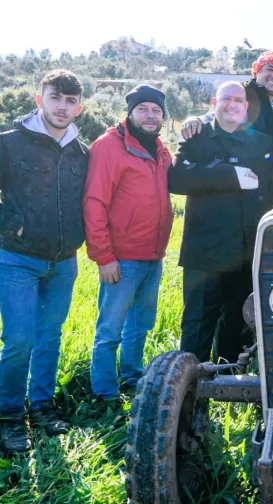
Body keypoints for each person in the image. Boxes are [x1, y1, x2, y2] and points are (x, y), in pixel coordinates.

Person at [0, 70, 88, 453]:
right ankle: (8, 417)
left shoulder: (82, 153)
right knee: (20, 340)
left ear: (79, 108)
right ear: (40, 100)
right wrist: (11, 224)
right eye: (55, 97)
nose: (62, 106)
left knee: (49, 338)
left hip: (64, 262)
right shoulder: (8, 145)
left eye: (70, 101)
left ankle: (42, 408)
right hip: (16, 260)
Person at [169, 81, 273, 364]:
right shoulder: (198, 137)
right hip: (204, 251)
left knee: (236, 322)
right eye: (226, 98)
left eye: (238, 100)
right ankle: (190, 394)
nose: (232, 104)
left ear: (246, 107)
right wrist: (228, 175)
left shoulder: (262, 142)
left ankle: (228, 385)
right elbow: (177, 179)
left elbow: (270, 189)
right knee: (197, 324)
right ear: (213, 103)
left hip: (244, 252)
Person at [83, 85, 173, 401]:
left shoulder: (160, 149)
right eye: (144, 109)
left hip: (153, 256)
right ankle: (104, 395)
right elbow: (94, 202)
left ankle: (132, 379)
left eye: (157, 111)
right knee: (110, 330)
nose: (150, 116)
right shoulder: (109, 146)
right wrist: (103, 256)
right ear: (130, 112)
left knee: (140, 325)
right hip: (122, 258)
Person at [182, 51, 273, 166]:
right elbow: (218, 113)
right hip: (242, 167)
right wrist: (196, 120)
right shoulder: (242, 92)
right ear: (257, 71)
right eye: (269, 69)